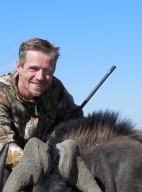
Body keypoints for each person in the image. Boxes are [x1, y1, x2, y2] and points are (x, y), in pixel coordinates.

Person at [0, 38, 83, 167]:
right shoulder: (2, 92)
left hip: (46, 165)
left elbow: (76, 122)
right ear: (19, 67)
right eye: (33, 69)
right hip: (12, 165)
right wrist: (34, 168)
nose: (40, 77)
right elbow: (3, 144)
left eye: (47, 71)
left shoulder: (55, 88)